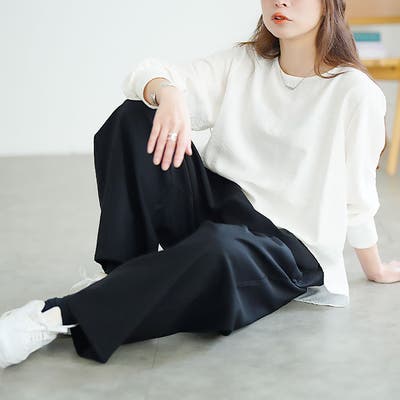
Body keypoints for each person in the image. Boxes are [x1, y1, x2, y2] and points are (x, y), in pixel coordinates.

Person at [1, 0, 399, 369]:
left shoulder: (355, 93)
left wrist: (374, 266)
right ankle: (122, 276)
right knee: (135, 116)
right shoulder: (244, 62)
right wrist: (169, 93)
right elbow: (146, 73)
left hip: (284, 248)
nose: (281, 1)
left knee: (220, 250)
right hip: (218, 204)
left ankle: (52, 317)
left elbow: (358, 195)